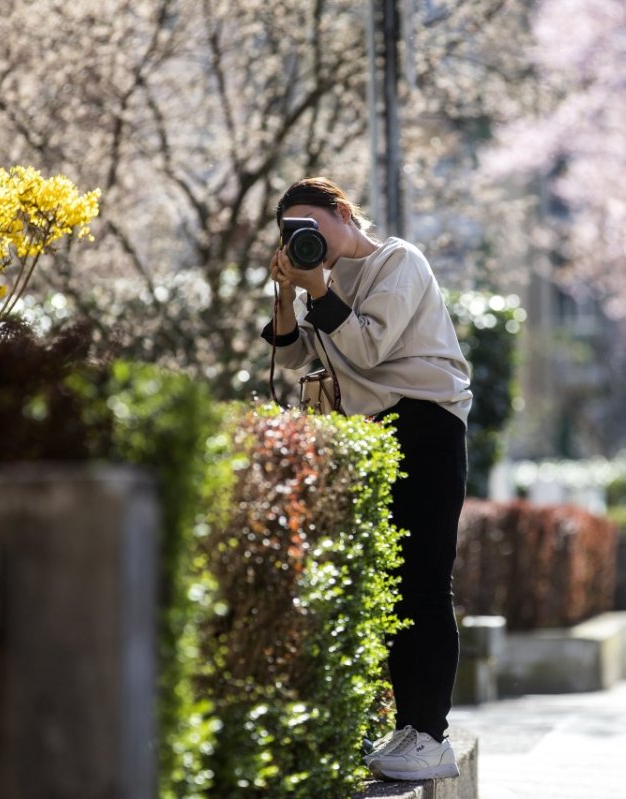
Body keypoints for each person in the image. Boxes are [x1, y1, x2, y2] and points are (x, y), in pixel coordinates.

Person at [261, 177, 472, 782]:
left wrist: (316, 287)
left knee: (425, 580)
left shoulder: (397, 261)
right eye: (291, 232)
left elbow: (370, 347)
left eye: (312, 226)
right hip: (371, 431)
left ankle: (433, 737)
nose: (304, 239)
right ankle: (408, 725)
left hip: (426, 421)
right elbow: (298, 354)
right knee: (388, 581)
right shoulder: (312, 282)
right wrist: (286, 296)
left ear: (343, 214)